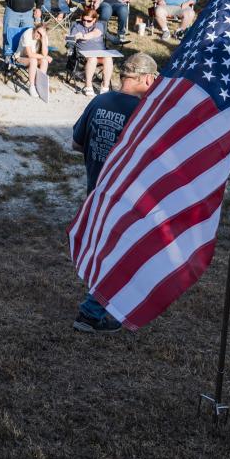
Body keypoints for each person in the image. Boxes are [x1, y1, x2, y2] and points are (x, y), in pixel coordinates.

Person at [70, 52, 159, 333]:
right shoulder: (142, 113)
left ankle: (102, 305)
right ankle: (90, 313)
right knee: (119, 254)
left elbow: (76, 143)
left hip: (96, 190)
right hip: (126, 197)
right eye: (153, 80)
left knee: (107, 250)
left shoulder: (99, 101)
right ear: (146, 79)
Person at [70, 8, 122, 95]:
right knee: (93, 58)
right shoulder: (77, 26)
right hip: (83, 55)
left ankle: (105, 87)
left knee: (108, 58)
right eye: (83, 20)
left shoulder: (99, 25)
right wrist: (72, 38)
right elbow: (70, 40)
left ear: (94, 20)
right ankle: (88, 85)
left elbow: (96, 33)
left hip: (100, 53)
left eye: (89, 21)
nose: (85, 22)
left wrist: (83, 36)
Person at [10, 22, 52, 91]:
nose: (39, 35)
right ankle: (32, 86)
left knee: (44, 61)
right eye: (38, 32)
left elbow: (44, 54)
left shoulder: (44, 37)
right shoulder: (27, 34)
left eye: (41, 34)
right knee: (33, 60)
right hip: (20, 57)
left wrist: (43, 38)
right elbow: (29, 54)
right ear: (35, 29)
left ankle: (39, 84)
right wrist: (45, 56)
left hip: (34, 57)